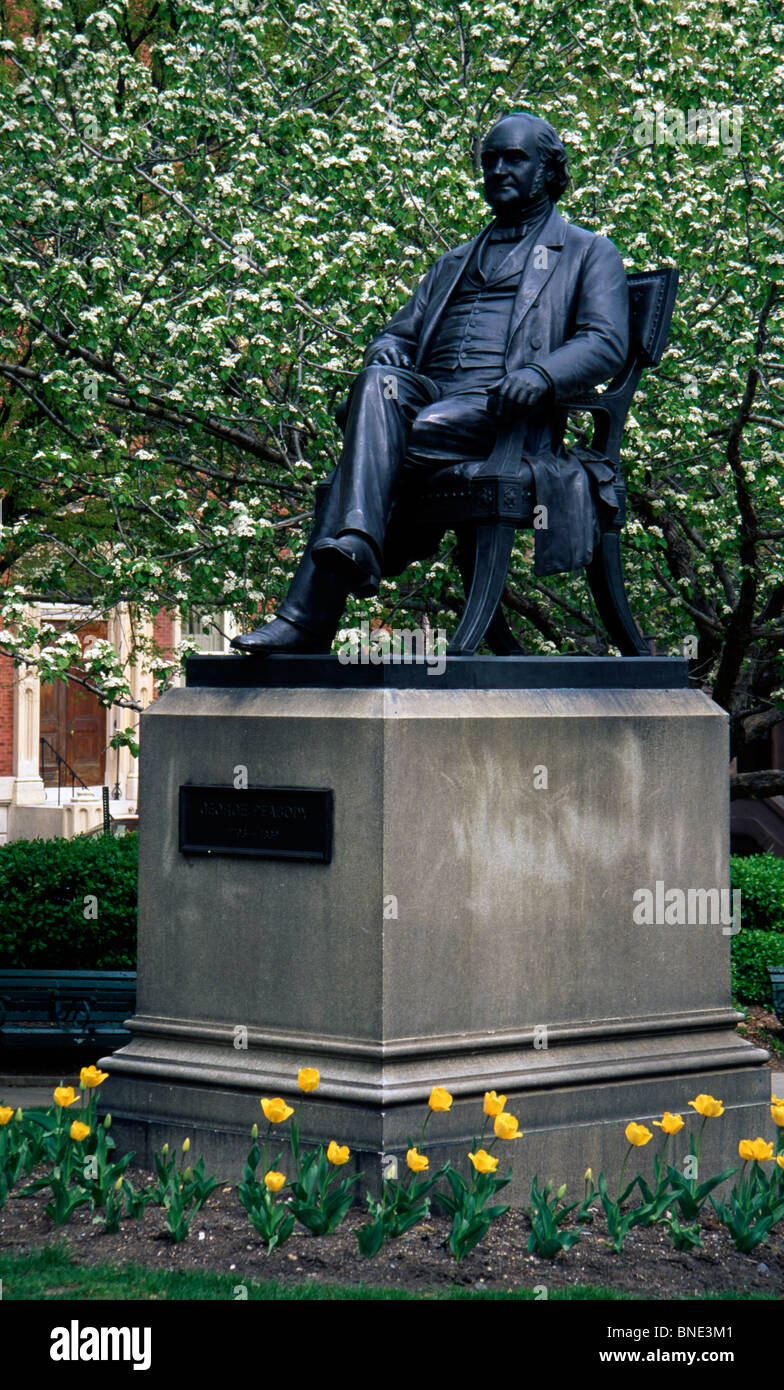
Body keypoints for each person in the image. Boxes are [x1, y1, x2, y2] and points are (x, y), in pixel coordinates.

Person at [233, 111, 629, 654]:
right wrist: (389, 349)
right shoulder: (454, 262)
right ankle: (357, 543)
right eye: (489, 159)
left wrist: (540, 374)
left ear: (548, 170)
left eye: (514, 158)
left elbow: (605, 343)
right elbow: (395, 335)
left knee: (363, 459)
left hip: (506, 415)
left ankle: (310, 615)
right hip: (429, 401)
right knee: (378, 380)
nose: (497, 169)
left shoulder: (587, 251)